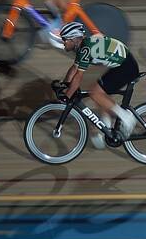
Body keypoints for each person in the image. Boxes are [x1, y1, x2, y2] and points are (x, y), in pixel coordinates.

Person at [56, 21, 138, 149]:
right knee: (97, 92)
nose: (63, 43)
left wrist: (67, 96)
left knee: (95, 93)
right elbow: (74, 69)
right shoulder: (83, 46)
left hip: (126, 67)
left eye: (65, 40)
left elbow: (78, 76)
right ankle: (106, 128)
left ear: (73, 39)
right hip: (122, 64)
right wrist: (65, 84)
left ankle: (126, 117)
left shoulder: (85, 49)